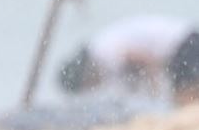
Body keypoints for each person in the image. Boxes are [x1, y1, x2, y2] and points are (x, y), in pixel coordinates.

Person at [58, 15, 194, 99]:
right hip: (177, 49)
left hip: (182, 42)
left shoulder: (104, 51)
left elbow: (146, 60)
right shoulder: (103, 63)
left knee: (186, 98)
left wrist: (156, 92)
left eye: (87, 85)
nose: (92, 88)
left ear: (85, 75)